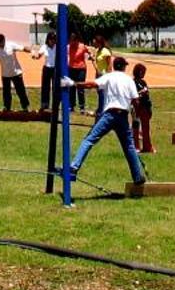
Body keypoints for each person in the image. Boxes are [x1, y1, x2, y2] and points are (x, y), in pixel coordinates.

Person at [63, 55, 147, 185]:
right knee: (129, 147)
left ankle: (74, 168)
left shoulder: (109, 76)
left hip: (109, 114)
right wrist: (136, 118)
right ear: (124, 67)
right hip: (123, 116)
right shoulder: (129, 80)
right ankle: (137, 177)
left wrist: (74, 84)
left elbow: (91, 84)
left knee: (89, 140)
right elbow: (135, 101)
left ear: (114, 66)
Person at [0, 34, 32, 112]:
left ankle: (25, 107)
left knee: (21, 91)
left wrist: (32, 51)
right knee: (6, 93)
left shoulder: (11, 45)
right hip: (5, 74)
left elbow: (22, 48)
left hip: (16, 73)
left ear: (3, 41)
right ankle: (7, 107)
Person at [131, 62, 155, 154]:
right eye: (142, 71)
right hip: (137, 107)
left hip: (145, 107)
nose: (144, 73)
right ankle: (136, 146)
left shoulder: (143, 82)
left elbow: (147, 92)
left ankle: (147, 146)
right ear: (138, 72)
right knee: (136, 127)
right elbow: (133, 95)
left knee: (146, 128)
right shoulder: (133, 82)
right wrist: (141, 93)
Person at [36, 31, 57, 111]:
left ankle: (55, 105)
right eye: (51, 39)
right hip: (47, 68)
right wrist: (36, 56)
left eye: (54, 39)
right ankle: (44, 104)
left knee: (55, 88)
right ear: (47, 39)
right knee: (45, 87)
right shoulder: (44, 47)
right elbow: (39, 55)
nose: (52, 41)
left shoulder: (57, 47)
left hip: (54, 69)